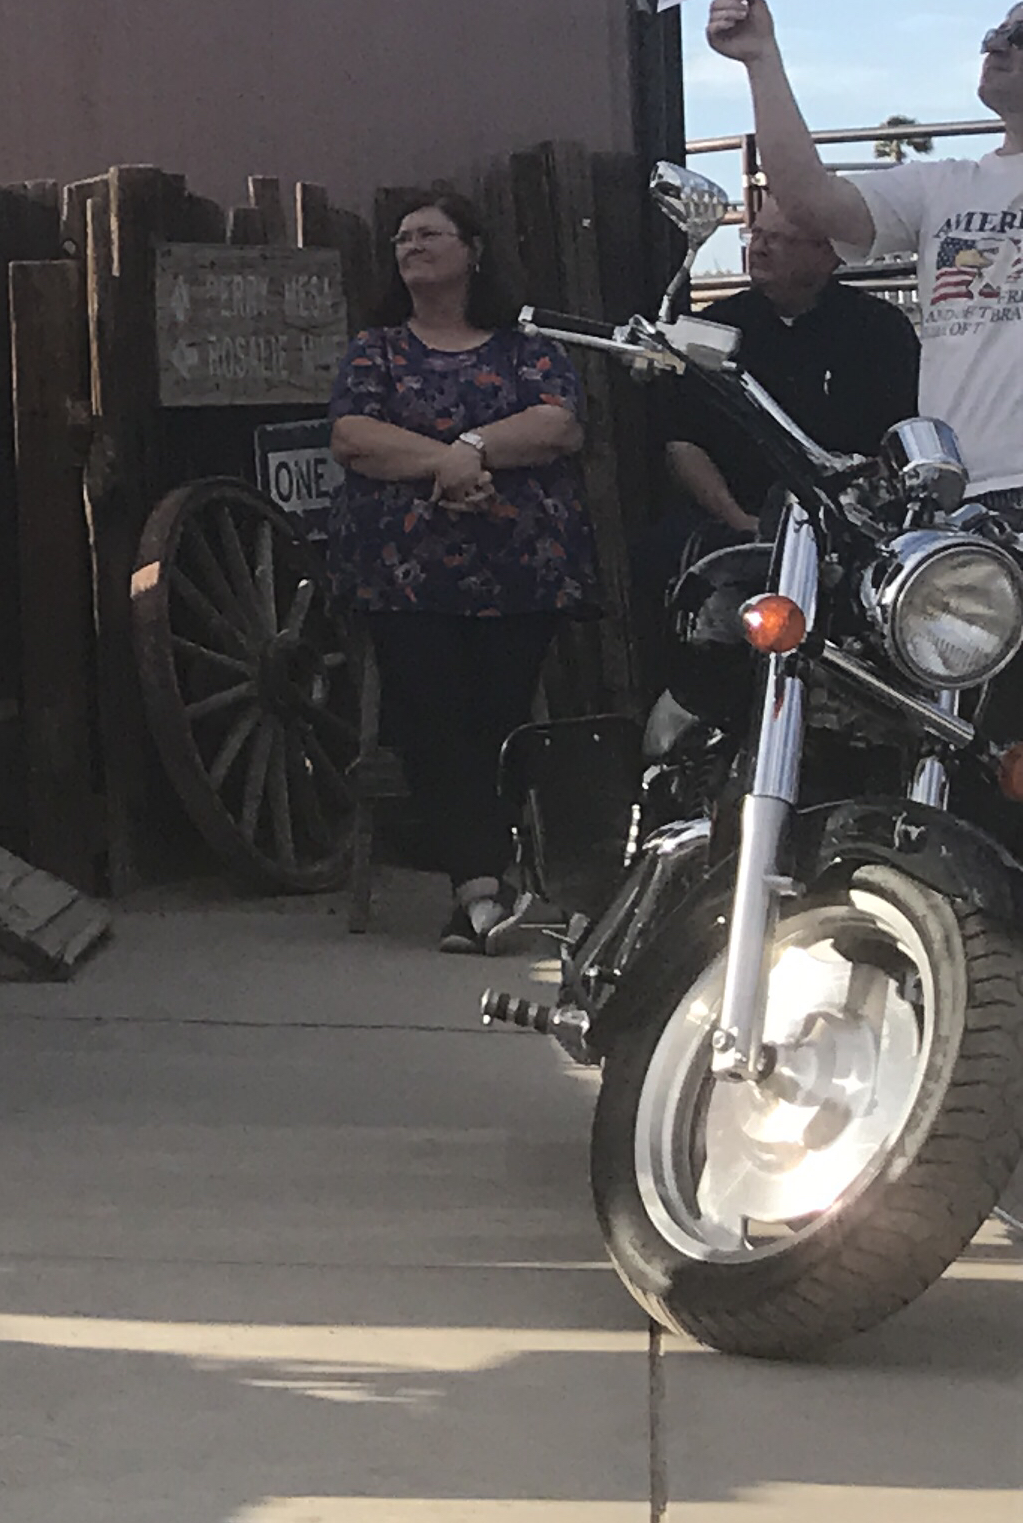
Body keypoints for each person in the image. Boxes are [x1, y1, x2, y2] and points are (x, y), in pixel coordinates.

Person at [327, 189, 599, 955]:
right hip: (405, 575)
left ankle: (492, 885)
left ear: (473, 251)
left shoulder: (527, 348)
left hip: (520, 570)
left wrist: (470, 447)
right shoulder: (375, 350)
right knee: (432, 717)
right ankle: (481, 888)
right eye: (401, 237)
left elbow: (558, 424)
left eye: (429, 234)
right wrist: (456, 462)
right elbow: (353, 437)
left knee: (497, 715)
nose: (410, 245)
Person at [709, 0, 1023, 495]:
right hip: (962, 501)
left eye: (1020, 34)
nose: (995, 45)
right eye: (995, 32)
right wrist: (760, 58)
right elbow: (806, 199)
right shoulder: (943, 184)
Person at [657, 194, 920, 540]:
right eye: (757, 235)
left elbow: (902, 441)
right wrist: (741, 523)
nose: (761, 249)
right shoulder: (711, 328)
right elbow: (683, 443)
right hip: (736, 531)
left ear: (829, 254)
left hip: (856, 530)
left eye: (781, 239)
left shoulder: (881, 330)